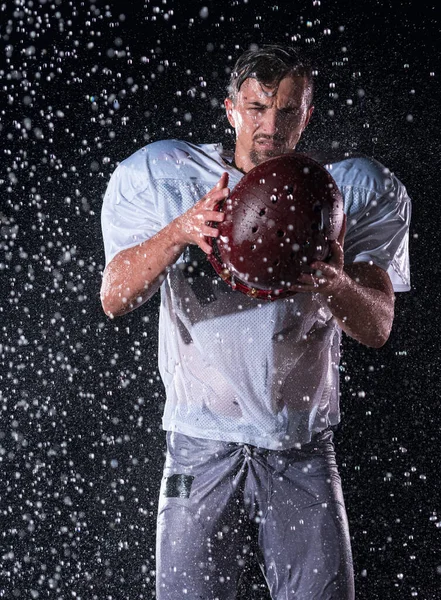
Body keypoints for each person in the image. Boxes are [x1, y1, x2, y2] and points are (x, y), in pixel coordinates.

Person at [100, 45, 410, 600]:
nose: (271, 125)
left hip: (300, 447)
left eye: (287, 110)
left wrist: (336, 284)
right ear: (230, 110)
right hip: (199, 443)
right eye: (257, 108)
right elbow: (114, 297)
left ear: (308, 114)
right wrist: (178, 232)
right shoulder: (171, 177)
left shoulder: (346, 191)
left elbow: (378, 327)